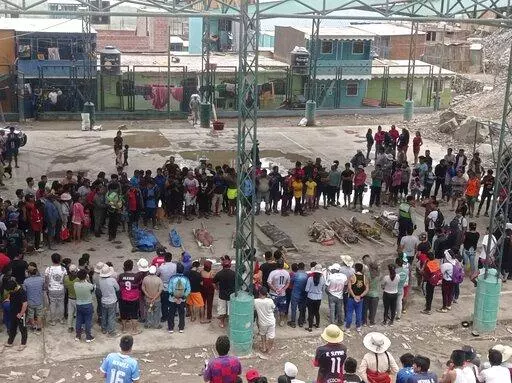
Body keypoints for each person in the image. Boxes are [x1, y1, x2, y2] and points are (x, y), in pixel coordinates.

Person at [118, 259, 142, 335]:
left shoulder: (121, 276)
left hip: (123, 297)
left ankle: (124, 329)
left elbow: (119, 285)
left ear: (124, 267)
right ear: (132, 267)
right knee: (134, 314)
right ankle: (134, 330)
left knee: (123, 313)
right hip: (134, 298)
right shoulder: (136, 276)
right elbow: (139, 285)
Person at [3, 279, 28, 351]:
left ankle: (23, 343)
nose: (10, 292)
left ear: (15, 288)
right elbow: (10, 295)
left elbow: (25, 304)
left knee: (22, 328)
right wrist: (8, 299)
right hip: (13, 311)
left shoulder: (21, 292)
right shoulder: (12, 289)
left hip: (20, 313)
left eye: (11, 291)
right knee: (12, 327)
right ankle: (10, 342)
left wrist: (21, 314)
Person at [345, 262, 368, 334]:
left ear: (355, 269)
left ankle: (348, 327)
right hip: (360, 299)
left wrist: (354, 296)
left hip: (351, 298)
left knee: (349, 313)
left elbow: (349, 288)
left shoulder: (352, 277)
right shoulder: (365, 278)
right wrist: (360, 296)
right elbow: (367, 289)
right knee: (359, 313)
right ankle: (358, 327)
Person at [167, 262, 190, 333]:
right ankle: (181, 328)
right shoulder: (186, 279)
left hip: (172, 299)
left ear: (176, 270)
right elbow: (188, 289)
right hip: (182, 300)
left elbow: (169, 289)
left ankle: (171, 328)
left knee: (171, 313)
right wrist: (182, 298)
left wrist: (174, 298)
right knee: (181, 313)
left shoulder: (172, 278)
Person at [45, 252, 67, 326]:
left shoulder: (48, 269)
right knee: (61, 304)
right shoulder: (63, 269)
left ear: (52, 260)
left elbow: (47, 281)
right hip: (60, 288)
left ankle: (53, 320)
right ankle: (61, 319)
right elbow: (64, 280)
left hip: (52, 289)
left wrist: (47, 289)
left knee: (52, 305)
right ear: (60, 260)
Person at [213, 256, 236, 328]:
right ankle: (230, 323)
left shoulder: (219, 273)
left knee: (222, 310)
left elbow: (213, 282)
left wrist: (217, 288)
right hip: (231, 295)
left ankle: (222, 323)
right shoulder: (234, 273)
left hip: (222, 295)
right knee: (230, 310)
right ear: (230, 265)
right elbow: (238, 283)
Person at [74, 269, 95, 342]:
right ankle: (88, 337)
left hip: (79, 305)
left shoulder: (75, 284)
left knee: (78, 320)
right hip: (88, 305)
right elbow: (92, 287)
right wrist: (88, 279)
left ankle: (78, 335)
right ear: (86, 276)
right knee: (88, 321)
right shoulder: (89, 285)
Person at [267, 259, 290, 327]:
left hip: (273, 294)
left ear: (276, 265)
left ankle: (272, 321)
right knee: (282, 309)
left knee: (272, 308)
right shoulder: (286, 273)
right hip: (283, 294)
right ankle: (281, 321)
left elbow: (269, 282)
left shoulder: (273, 273)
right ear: (283, 265)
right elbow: (288, 283)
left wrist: (275, 289)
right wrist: (283, 289)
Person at [98, 264, 119, 337]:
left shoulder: (100, 280)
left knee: (104, 315)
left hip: (103, 300)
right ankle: (111, 331)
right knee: (111, 316)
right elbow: (117, 288)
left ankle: (104, 328)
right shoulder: (112, 280)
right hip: (112, 300)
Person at [254, 286, 276, 353]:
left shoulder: (255, 301)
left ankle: (264, 347)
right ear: (266, 293)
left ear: (259, 293)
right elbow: (273, 308)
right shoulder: (270, 301)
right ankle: (269, 349)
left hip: (262, 322)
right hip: (271, 321)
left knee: (263, 334)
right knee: (271, 335)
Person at [23, 265, 44, 333]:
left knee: (31, 314)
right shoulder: (41, 279)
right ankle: (39, 327)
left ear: (29, 273)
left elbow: (25, 291)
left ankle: (33, 326)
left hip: (30, 301)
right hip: (39, 301)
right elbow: (43, 288)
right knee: (39, 314)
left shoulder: (26, 281)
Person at [305, 264, 326, 332]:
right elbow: (323, 290)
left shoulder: (310, 279)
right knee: (317, 312)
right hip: (318, 298)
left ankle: (310, 327)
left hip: (310, 297)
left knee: (310, 312)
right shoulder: (323, 280)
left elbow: (307, 289)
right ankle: (317, 324)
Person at [142, 265, 163, 329]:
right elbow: (160, 290)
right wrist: (154, 297)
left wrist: (148, 296)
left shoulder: (145, 279)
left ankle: (148, 324)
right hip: (156, 299)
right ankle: (156, 324)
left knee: (148, 312)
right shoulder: (159, 279)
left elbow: (143, 288)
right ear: (155, 272)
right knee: (157, 312)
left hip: (148, 299)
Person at [288, 262, 308, 328]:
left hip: (295, 293)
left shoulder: (295, 274)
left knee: (293, 308)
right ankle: (301, 322)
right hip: (303, 294)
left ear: (298, 267)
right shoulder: (306, 275)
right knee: (302, 308)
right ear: (304, 267)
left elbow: (291, 282)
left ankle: (293, 322)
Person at [63, 264, 79, 332]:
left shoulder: (66, 278)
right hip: (77, 298)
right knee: (78, 314)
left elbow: (66, 287)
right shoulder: (78, 279)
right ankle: (78, 326)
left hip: (70, 298)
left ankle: (70, 327)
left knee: (70, 313)